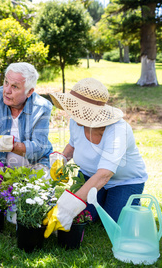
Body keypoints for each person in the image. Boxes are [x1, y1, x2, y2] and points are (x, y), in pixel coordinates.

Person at [43, 78, 148, 237]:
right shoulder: (76, 121)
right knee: (85, 217)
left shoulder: (118, 130)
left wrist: (66, 208)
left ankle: (129, 201)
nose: (72, 112)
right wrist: (61, 160)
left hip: (124, 181)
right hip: (88, 176)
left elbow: (104, 175)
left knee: (113, 221)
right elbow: (73, 144)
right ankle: (103, 198)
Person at [0, 62, 53, 168]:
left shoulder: (42, 107)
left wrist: (9, 144)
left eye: (15, 87)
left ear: (29, 92)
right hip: (4, 167)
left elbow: (38, 150)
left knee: (38, 184)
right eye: (6, 82)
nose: (7, 90)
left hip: (37, 164)